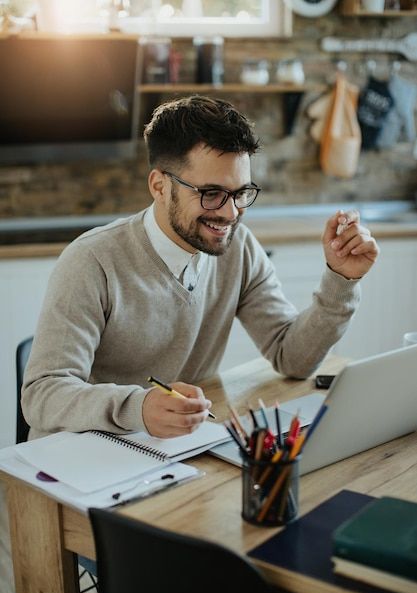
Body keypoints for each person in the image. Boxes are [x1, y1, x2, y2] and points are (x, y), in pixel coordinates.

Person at [22, 95, 379, 440]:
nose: (230, 213)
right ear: (159, 186)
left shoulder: (239, 247)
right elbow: (42, 395)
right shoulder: (91, 261)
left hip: (177, 448)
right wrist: (138, 407)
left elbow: (293, 358)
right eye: (211, 193)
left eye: (240, 193)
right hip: (78, 460)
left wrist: (342, 279)